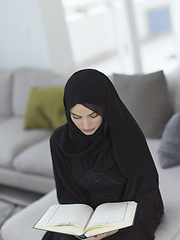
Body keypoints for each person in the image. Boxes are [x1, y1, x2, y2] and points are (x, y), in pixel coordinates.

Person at [42, 69, 164, 240]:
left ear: (106, 107)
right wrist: (79, 226)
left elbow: (148, 199)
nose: (86, 125)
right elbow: (66, 195)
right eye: (76, 116)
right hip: (85, 222)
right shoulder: (59, 142)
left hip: (126, 219)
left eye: (93, 115)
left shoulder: (129, 137)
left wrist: (115, 226)